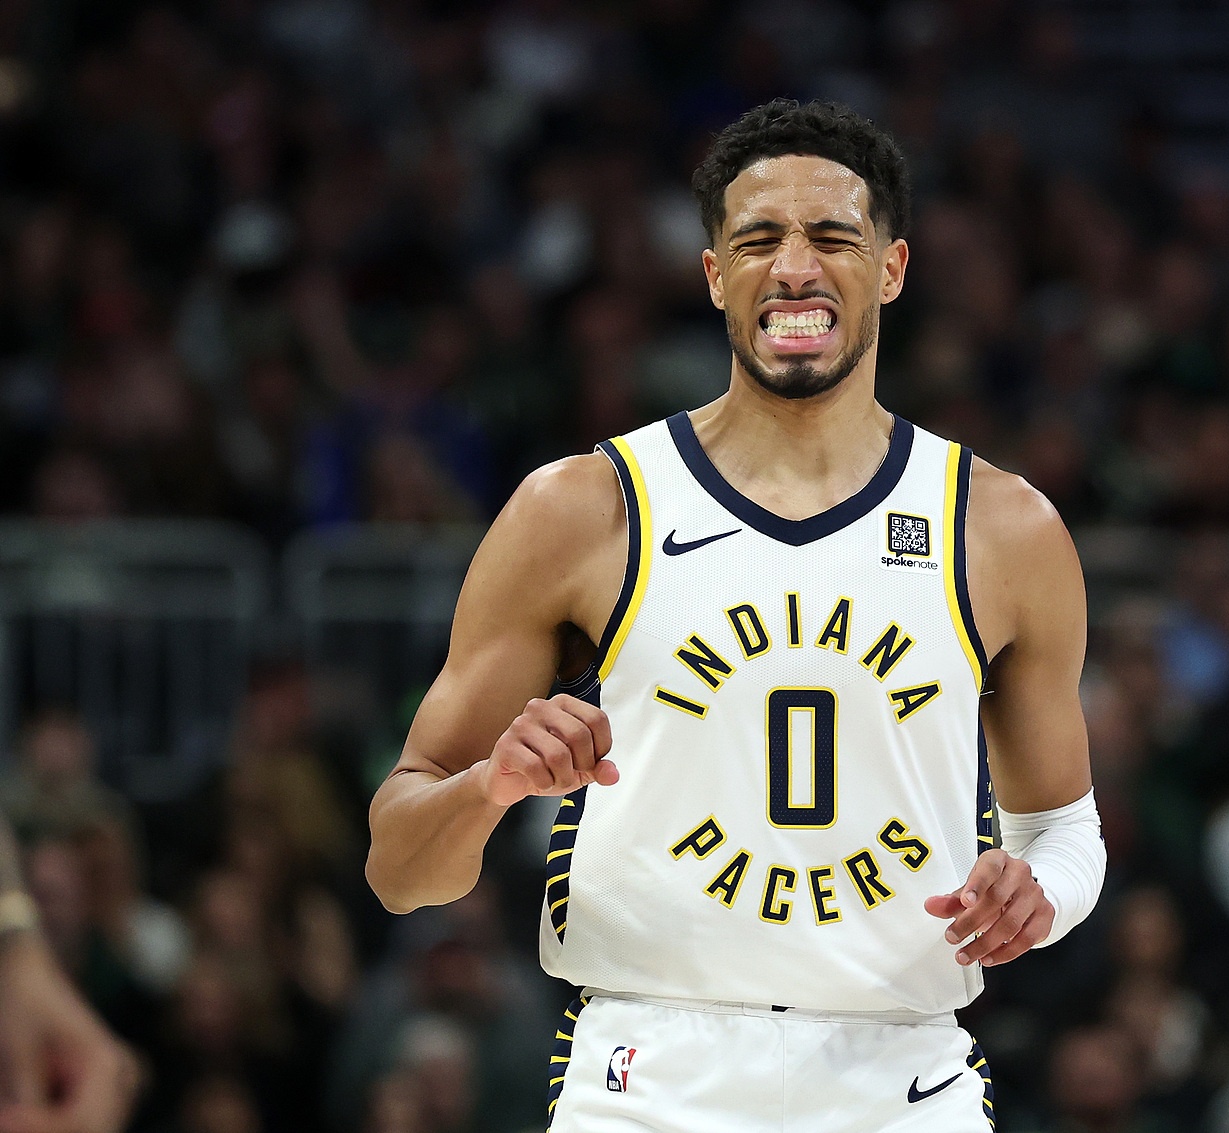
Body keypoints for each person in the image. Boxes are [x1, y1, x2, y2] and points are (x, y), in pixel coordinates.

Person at [364, 99, 1104, 1133]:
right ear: (714, 275)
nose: (794, 268)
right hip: (649, 1075)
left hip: (901, 1076)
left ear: (892, 268)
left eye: (832, 236)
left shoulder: (1003, 527)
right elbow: (399, 869)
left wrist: (1039, 894)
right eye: (758, 240)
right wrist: (492, 783)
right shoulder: (581, 509)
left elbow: (1064, 828)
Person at [0, 816, 138, 1133]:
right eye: (40, 896)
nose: (49, 911)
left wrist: (16, 946)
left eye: (57, 896)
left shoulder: (118, 981)